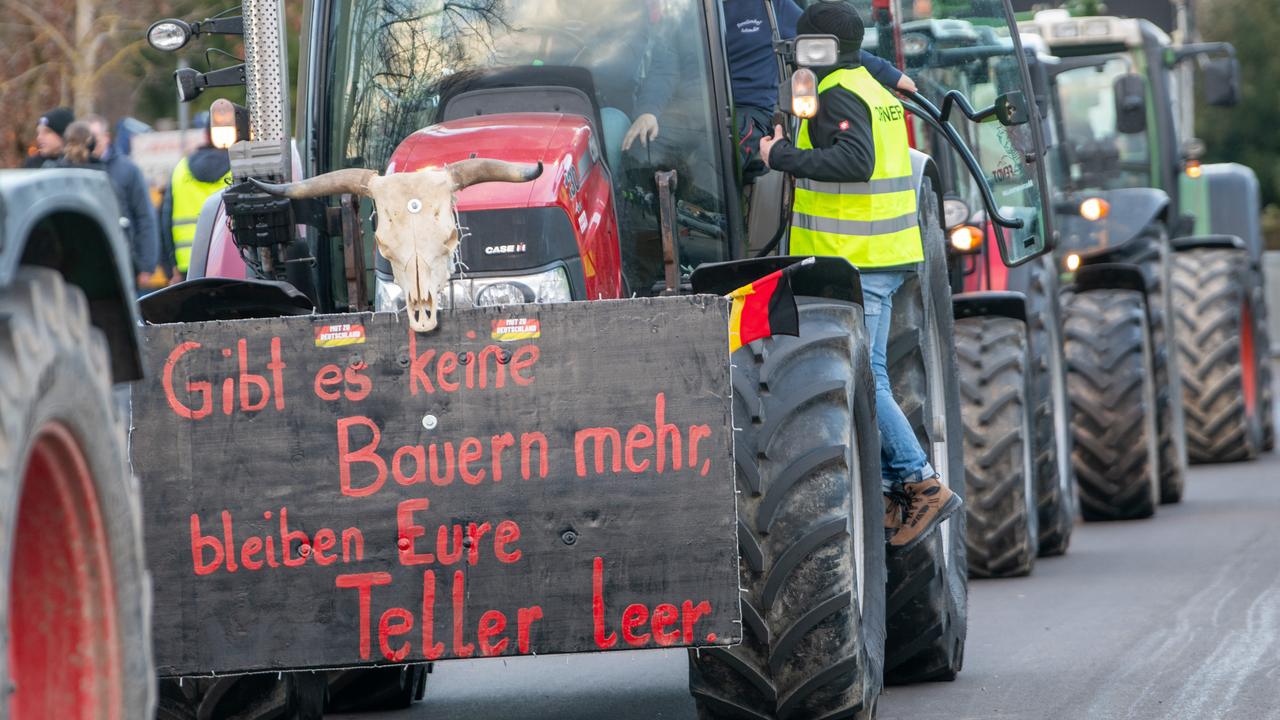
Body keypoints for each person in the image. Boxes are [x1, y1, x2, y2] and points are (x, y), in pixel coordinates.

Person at [760, 0, 960, 551]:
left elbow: (856, 162)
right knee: (866, 373)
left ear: (820, 49)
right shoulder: (870, 84)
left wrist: (780, 156)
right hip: (882, 255)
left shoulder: (838, 93)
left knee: (867, 375)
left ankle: (919, 483)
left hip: (863, 260)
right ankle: (903, 486)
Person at [723, 0, 917, 183]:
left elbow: (829, 43)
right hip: (697, 106)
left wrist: (888, 73)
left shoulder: (769, 6)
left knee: (722, 153)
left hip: (746, 110)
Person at [84, 115, 161, 291]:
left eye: (95, 137)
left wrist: (146, 265)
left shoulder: (127, 170)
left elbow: (144, 216)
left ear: (106, 137)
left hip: (126, 262)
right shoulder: (79, 170)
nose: (91, 143)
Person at [159, 113, 231, 283]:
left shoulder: (181, 169)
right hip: (232, 260)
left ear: (206, 135)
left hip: (189, 265)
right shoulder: (240, 168)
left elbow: (165, 221)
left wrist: (170, 267)